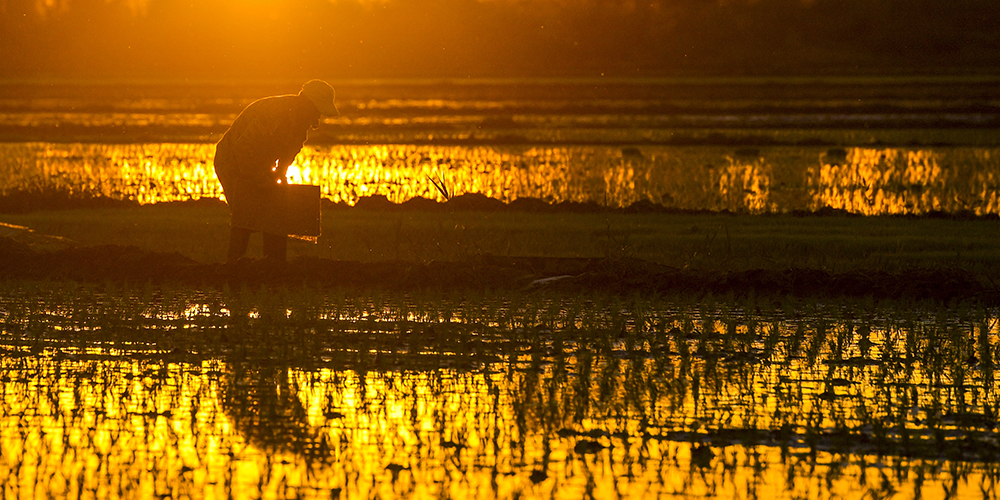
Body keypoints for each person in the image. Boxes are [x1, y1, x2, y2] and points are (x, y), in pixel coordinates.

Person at [214, 80, 339, 263]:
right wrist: (259, 178)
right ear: (307, 103)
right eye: (317, 110)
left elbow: (290, 152)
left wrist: (279, 176)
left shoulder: (301, 120)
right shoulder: (276, 113)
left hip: (260, 160)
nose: (318, 116)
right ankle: (234, 265)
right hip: (231, 159)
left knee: (276, 207)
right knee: (247, 210)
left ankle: (274, 263)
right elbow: (243, 148)